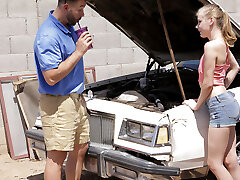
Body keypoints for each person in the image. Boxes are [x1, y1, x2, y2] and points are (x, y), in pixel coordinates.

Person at [33, 0, 92, 179]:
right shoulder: (48, 35)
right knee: (57, 157)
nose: (82, 14)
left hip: (75, 98)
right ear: (66, 6)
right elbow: (51, 77)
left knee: (80, 148)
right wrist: (79, 52)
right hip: (58, 103)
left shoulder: (67, 28)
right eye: (80, 9)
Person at [183, 4, 240, 180]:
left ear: (211, 21)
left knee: (214, 163)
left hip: (219, 105)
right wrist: (222, 87)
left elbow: (207, 84)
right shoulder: (223, 44)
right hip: (227, 102)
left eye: (199, 22)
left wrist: (196, 104)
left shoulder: (211, 46)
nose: (197, 26)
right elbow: (235, 67)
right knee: (230, 161)